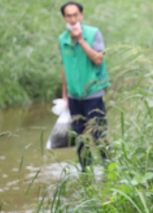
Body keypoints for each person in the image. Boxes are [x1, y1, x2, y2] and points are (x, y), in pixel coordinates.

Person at [59, 1, 109, 171]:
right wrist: (65, 96)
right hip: (74, 97)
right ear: (64, 17)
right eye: (68, 15)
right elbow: (64, 67)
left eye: (75, 15)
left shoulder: (93, 33)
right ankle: (85, 174)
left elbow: (98, 59)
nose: (72, 19)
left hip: (93, 94)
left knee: (98, 135)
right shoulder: (62, 39)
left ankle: (110, 170)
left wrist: (80, 39)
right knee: (79, 138)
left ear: (81, 15)